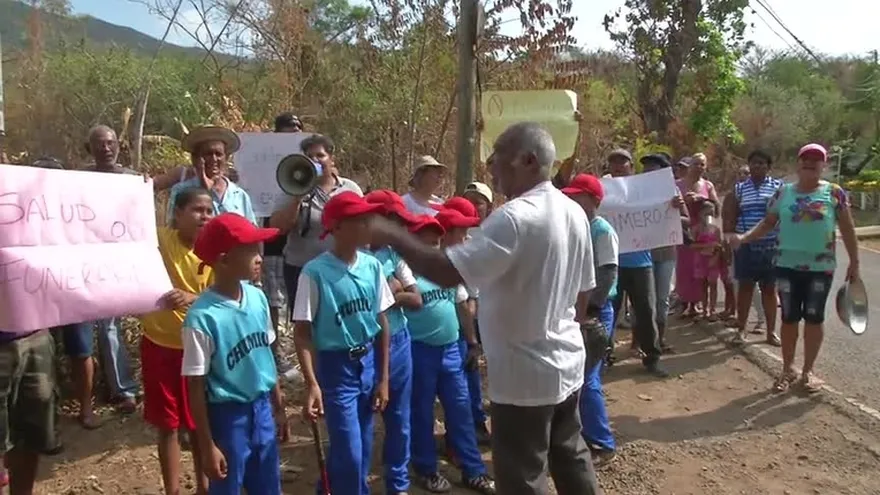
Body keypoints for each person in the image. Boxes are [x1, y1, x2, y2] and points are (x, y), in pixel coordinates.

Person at [368, 122, 602, 495]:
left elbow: (447, 272)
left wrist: (392, 234)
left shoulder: (514, 218)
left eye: (497, 157)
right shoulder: (572, 211)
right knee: (570, 455)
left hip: (524, 376)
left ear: (526, 160)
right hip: (566, 362)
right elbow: (584, 292)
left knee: (523, 477)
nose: (490, 166)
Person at [730, 143, 860, 393]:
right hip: (786, 266)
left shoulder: (834, 193)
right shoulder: (783, 193)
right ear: (797, 164)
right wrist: (744, 238)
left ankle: (807, 372)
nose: (810, 163)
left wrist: (854, 262)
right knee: (789, 318)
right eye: (805, 159)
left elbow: (847, 229)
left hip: (821, 268)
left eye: (816, 159)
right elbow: (768, 223)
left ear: (824, 165)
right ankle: (787, 369)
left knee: (814, 317)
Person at [290, 192, 392, 495]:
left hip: (367, 362)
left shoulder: (372, 266)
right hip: (336, 368)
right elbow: (302, 332)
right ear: (336, 228)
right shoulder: (315, 272)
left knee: (360, 447)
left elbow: (381, 322)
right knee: (350, 452)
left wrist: (383, 378)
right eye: (359, 221)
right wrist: (312, 383)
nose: (367, 225)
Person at [181, 213, 289, 495]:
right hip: (228, 417)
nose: (259, 257)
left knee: (268, 485)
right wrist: (207, 446)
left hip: (262, 408)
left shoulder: (257, 298)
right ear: (224, 259)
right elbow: (195, 385)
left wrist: (278, 405)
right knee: (227, 486)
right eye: (250, 250)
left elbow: (266, 352)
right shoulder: (202, 317)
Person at [403, 215, 494, 494]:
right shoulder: (405, 273)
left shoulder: (446, 268)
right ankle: (426, 468)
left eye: (437, 239)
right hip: (420, 351)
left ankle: (473, 470)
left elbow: (462, 306)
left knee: (460, 410)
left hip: (451, 349)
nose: (433, 244)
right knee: (422, 412)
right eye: (427, 240)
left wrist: (471, 342)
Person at [140, 187, 214, 495]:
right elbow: (127, 227)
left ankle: (204, 486)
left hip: (197, 350)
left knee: (199, 423)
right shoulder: (159, 241)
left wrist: (192, 298)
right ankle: (171, 490)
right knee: (167, 425)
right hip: (159, 344)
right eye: (197, 210)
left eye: (209, 211)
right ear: (178, 214)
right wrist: (142, 188)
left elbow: (221, 297)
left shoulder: (215, 253)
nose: (204, 217)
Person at [269, 134, 363, 333]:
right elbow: (278, 227)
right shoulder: (293, 188)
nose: (316, 160)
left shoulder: (350, 188)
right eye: (310, 156)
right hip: (301, 269)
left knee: (340, 320)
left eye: (320, 155)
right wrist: (296, 199)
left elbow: (362, 224)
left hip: (340, 268)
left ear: (331, 158)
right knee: (307, 326)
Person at [77, 125, 140, 414]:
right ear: (90, 148)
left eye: (111, 143)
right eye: (100, 144)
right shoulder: (76, 180)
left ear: (119, 145)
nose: (106, 148)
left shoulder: (131, 180)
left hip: (121, 260)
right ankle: (96, 394)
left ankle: (123, 390)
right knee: (91, 327)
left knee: (111, 325)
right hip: (85, 261)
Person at [364, 190, 423, 495]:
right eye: (396, 221)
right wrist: (389, 292)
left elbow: (416, 299)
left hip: (399, 341)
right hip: (362, 346)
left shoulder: (394, 256)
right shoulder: (353, 255)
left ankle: (397, 485)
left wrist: (391, 293)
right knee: (359, 426)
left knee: (399, 419)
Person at [560, 173, 619, 466]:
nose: (571, 199)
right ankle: (587, 434)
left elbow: (607, 273)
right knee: (578, 377)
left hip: (595, 311)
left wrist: (590, 311)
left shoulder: (601, 230)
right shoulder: (578, 227)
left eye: (577, 196)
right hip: (579, 310)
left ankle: (603, 443)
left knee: (588, 378)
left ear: (594, 200)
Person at [607, 148, 669, 377]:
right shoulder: (603, 193)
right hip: (611, 263)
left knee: (646, 311)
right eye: (613, 162)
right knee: (609, 312)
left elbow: (664, 211)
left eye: (622, 162)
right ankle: (605, 355)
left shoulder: (645, 191)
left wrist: (674, 205)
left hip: (641, 263)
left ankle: (651, 357)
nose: (618, 166)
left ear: (631, 166)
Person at [436, 207, 491, 449]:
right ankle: (455, 439)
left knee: (469, 384)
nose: (467, 236)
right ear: (446, 234)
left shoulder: (465, 257)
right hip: (448, 335)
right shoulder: (438, 262)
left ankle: (473, 427)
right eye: (462, 231)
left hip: (464, 331)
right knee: (454, 392)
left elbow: (472, 299)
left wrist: (471, 339)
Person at [723, 151, 782, 346]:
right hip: (745, 246)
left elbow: (782, 216)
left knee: (769, 290)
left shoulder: (779, 188)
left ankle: (771, 332)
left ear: (768, 167)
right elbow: (731, 216)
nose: (758, 166)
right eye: (754, 163)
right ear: (749, 166)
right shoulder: (739, 189)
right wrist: (730, 240)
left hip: (770, 246)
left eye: (762, 163)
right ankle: (741, 330)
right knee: (745, 289)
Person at [261, 113, 305, 375]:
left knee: (297, 304)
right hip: (271, 244)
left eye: (297, 130)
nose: (292, 134)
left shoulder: (309, 163)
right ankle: (275, 356)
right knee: (273, 303)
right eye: (287, 131)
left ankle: (297, 353)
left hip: (300, 245)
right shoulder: (261, 163)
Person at [640, 153, 688, 352]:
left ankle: (660, 340)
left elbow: (687, 220)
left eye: (653, 167)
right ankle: (639, 342)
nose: (648, 170)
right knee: (642, 299)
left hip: (666, 253)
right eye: (646, 167)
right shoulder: (635, 192)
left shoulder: (673, 191)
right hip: (642, 253)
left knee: (661, 299)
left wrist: (677, 208)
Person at [166, 125, 256, 225]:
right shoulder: (181, 191)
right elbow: (173, 230)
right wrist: (205, 190)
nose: (214, 159)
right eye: (208, 154)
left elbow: (252, 232)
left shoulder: (239, 195)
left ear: (226, 158)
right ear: (195, 159)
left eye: (218, 154)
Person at [676, 152, 721, 318]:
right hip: (683, 231)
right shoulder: (677, 185)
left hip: (703, 232)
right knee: (684, 268)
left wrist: (701, 198)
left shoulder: (707, 186)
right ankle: (685, 304)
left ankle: (698, 305)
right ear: (690, 165)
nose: (699, 167)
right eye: (696, 163)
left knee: (701, 270)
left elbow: (716, 208)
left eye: (702, 164)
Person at [692, 201, 723, 320]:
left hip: (712, 259)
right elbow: (692, 245)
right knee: (703, 285)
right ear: (700, 214)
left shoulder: (716, 229)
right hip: (700, 259)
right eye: (707, 212)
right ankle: (704, 310)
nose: (709, 215)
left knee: (713, 284)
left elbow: (719, 245)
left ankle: (713, 310)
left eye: (712, 212)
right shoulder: (696, 229)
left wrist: (715, 257)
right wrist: (705, 246)